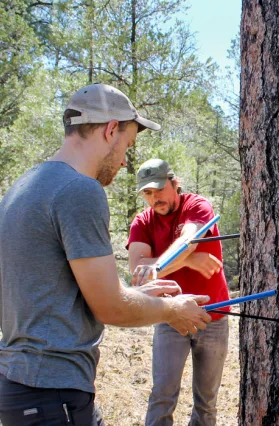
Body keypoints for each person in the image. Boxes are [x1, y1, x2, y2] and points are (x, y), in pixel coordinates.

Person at [0, 84, 212, 426]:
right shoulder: (79, 190)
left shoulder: (22, 187)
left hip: (22, 388)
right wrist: (172, 309)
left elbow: (53, 292)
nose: (125, 159)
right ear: (110, 129)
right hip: (54, 396)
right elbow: (110, 308)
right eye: (127, 144)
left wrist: (136, 294)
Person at [127, 158, 231, 426]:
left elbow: (188, 240)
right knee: (162, 395)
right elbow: (138, 270)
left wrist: (175, 257)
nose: (154, 198)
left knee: (206, 402)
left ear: (175, 183)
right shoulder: (142, 221)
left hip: (213, 316)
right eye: (148, 193)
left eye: (159, 189)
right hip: (170, 316)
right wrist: (187, 259)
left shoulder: (197, 206)